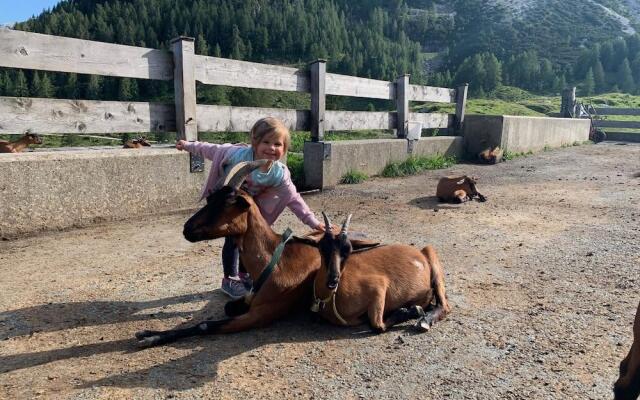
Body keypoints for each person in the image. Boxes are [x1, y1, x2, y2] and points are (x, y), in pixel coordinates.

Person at [176, 117, 323, 299]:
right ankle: (230, 278)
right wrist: (188, 145)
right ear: (255, 143)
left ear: (284, 149)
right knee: (232, 237)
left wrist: (313, 222)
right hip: (225, 204)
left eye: (278, 144)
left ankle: (244, 274)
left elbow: (293, 198)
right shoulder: (236, 155)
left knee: (250, 239)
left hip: (247, 207)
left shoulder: (279, 173)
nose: (271, 148)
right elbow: (210, 150)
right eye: (266, 142)